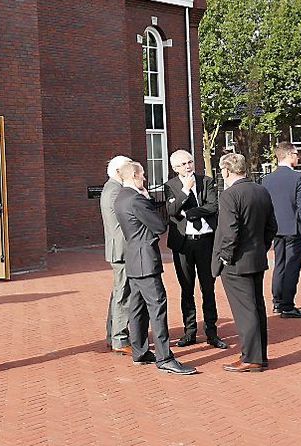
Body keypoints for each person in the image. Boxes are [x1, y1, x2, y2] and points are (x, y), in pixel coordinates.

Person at [113, 161, 196, 376]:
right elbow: (159, 226)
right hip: (145, 259)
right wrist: (149, 201)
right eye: (142, 175)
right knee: (157, 306)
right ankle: (164, 357)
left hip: (134, 258)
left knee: (138, 307)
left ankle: (140, 351)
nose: (145, 179)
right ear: (133, 176)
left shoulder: (121, 197)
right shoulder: (136, 199)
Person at [214, 153, 277, 372]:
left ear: (226, 171)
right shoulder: (261, 190)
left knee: (245, 311)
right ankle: (259, 355)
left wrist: (225, 256)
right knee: (257, 307)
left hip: (236, 262)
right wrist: (261, 246)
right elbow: (272, 227)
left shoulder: (229, 195)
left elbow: (230, 231)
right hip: (257, 258)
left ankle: (251, 358)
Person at [165, 150, 227, 349]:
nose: (188, 166)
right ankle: (189, 331)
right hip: (183, 244)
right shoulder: (171, 187)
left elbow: (213, 206)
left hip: (205, 242)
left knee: (208, 288)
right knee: (187, 288)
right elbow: (172, 212)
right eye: (183, 164)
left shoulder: (206, 181)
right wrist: (185, 191)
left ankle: (212, 332)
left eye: (190, 162)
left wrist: (190, 213)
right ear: (175, 168)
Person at [262, 143, 301, 318]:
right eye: (297, 154)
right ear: (290, 155)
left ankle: (277, 302)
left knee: (279, 264)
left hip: (276, 229)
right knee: (292, 266)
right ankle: (288, 305)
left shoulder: (267, 179)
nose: (298, 158)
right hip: (294, 228)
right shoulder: (298, 178)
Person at [100, 155, 132, 354]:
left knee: (118, 292)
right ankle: (119, 338)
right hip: (121, 249)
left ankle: (113, 333)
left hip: (119, 248)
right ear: (119, 171)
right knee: (123, 293)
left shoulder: (112, 188)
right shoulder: (115, 190)